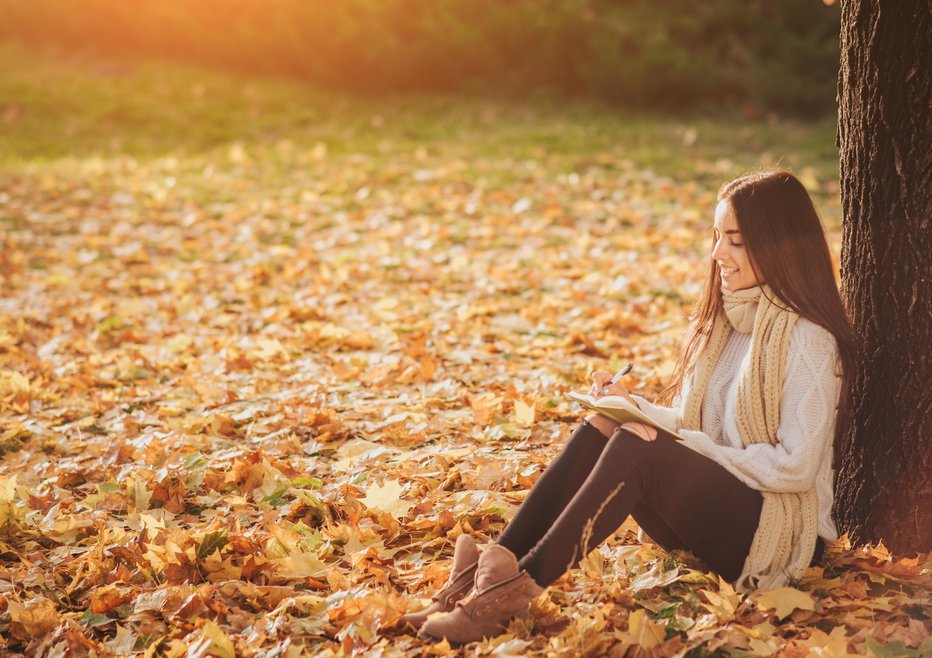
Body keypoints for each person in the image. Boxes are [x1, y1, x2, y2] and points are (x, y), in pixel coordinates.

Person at [402, 170, 857, 645]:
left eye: (735, 241)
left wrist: (679, 443)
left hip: (778, 537)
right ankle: (491, 568)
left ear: (779, 244)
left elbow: (795, 468)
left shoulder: (808, 340)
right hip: (719, 514)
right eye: (717, 237)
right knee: (606, 423)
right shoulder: (725, 322)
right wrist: (629, 406)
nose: (717, 254)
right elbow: (689, 423)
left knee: (640, 448)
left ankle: (509, 597)